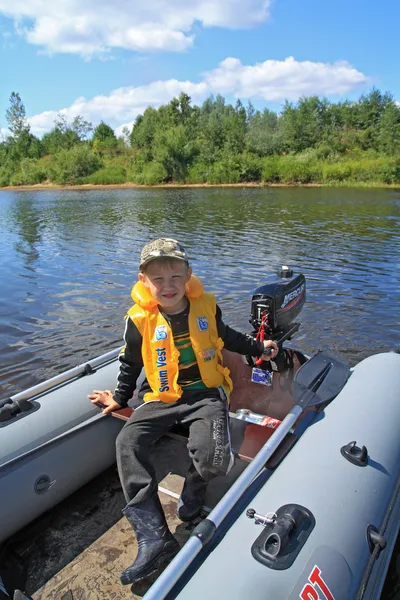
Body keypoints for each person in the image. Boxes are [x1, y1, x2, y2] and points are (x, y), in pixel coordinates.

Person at [88, 238, 278, 585]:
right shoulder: (138, 320)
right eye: (157, 278)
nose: (168, 286)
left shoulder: (205, 306)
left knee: (214, 459)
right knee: (127, 443)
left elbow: (227, 337)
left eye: (176, 276)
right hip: (161, 395)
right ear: (143, 281)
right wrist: (119, 396)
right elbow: (130, 362)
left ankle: (193, 490)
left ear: (188, 275)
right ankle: (154, 537)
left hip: (205, 393)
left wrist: (259, 348)